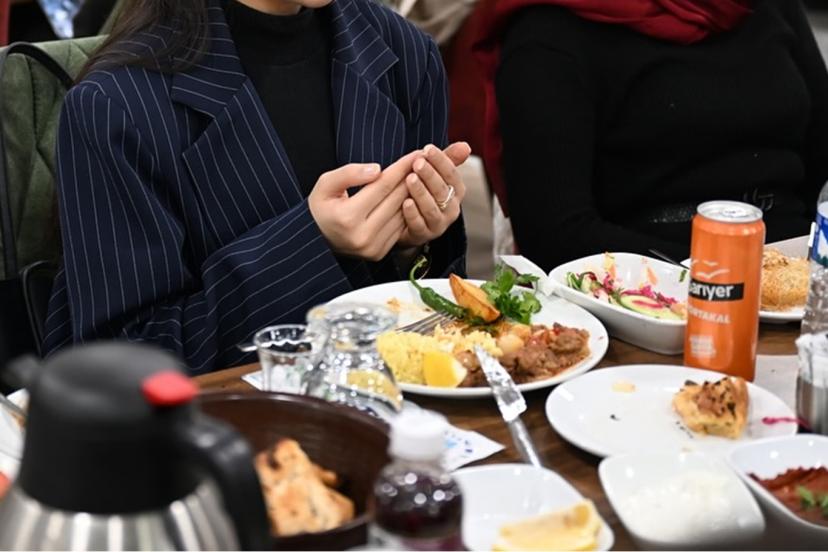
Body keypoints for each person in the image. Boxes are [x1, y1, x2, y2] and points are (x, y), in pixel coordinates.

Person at [43, 0, 469, 373]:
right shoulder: (114, 106)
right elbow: (124, 357)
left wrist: (414, 244)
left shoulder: (404, 52)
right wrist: (312, 242)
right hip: (216, 427)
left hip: (399, 410)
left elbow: (444, 317)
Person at [476, 0, 828, 270]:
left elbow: (821, 157)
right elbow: (555, 234)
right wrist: (719, 278)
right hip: (641, 300)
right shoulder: (549, 31)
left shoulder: (762, 7)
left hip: (797, 277)